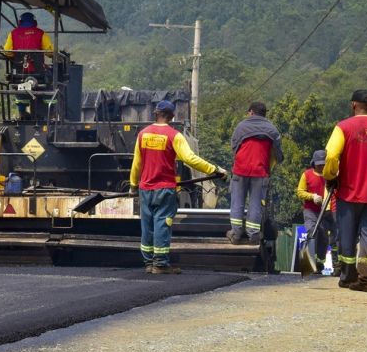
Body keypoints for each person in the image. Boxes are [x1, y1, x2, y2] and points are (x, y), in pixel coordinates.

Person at [129, 100, 228, 274]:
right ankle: (160, 264)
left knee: (147, 225)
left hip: (146, 188)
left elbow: (137, 164)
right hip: (165, 189)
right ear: (172, 116)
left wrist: (133, 186)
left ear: (156, 113)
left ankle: (148, 263)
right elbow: (190, 159)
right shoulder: (175, 136)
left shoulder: (143, 134)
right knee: (162, 223)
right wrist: (213, 169)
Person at [323, 89, 367, 293]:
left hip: (349, 191)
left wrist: (330, 176)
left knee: (346, 235)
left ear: (353, 105)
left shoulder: (343, 127)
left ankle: (348, 276)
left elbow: (331, 155)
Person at [227, 101, 284, 245]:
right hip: (260, 171)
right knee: (256, 204)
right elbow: (278, 154)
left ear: (251, 112)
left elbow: (234, 146)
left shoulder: (241, 126)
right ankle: (253, 235)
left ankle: (235, 235)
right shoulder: (272, 130)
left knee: (237, 202)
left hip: (241, 169)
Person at [2, 12, 54, 119]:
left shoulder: (13, 33)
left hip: (19, 73)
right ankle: (51, 110)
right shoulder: (41, 33)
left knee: (19, 83)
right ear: (35, 22)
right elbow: (50, 52)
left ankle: (22, 111)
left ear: (19, 22)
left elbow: (7, 52)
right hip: (39, 74)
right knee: (52, 78)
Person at [295, 149, 338, 273]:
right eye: (318, 164)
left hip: (326, 212)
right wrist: (312, 196)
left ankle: (319, 264)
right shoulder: (307, 175)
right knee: (312, 232)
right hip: (311, 211)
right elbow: (300, 191)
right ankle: (308, 263)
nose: (321, 166)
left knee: (324, 237)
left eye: (323, 164)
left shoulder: (330, 176)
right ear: (313, 163)